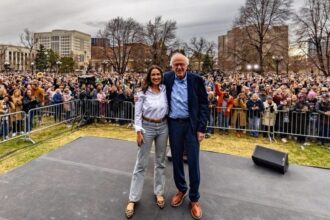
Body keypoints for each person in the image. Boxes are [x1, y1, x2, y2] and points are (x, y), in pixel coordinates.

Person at [163, 53, 208, 220]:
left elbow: (204, 104)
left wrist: (201, 128)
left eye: (182, 64)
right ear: (172, 66)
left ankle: (194, 198)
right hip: (174, 124)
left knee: (193, 161)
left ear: (187, 66)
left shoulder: (196, 80)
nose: (179, 67)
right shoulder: (166, 78)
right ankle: (181, 189)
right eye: (176, 65)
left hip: (191, 125)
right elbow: (150, 86)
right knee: (176, 159)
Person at [125, 65, 168, 219]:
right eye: (153, 74)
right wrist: (138, 131)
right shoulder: (141, 93)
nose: (156, 77)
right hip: (147, 127)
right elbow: (137, 114)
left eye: (158, 74)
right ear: (149, 76)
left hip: (163, 126)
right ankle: (133, 198)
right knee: (141, 163)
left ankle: (159, 192)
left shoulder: (164, 89)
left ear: (161, 76)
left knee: (160, 161)